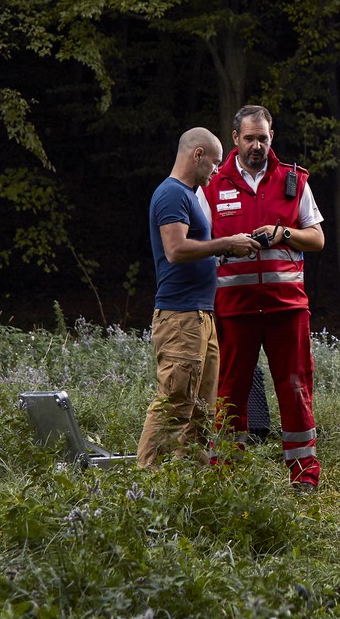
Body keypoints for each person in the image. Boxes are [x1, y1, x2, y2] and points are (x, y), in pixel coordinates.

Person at [203, 104, 326, 489]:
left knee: (294, 389)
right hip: (234, 310)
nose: (257, 145)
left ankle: (305, 478)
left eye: (263, 137)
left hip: (286, 309)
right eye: (250, 138)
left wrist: (283, 233)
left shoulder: (294, 181)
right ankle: (225, 477)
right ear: (235, 139)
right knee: (229, 394)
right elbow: (198, 245)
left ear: (272, 137)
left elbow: (318, 239)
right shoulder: (212, 185)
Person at [136, 127, 256, 467]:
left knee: (201, 410)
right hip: (180, 317)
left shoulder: (188, 196)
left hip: (201, 316)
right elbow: (175, 250)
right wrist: (226, 243)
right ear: (197, 155)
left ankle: (191, 489)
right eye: (214, 163)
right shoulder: (171, 194)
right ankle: (145, 487)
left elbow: (198, 250)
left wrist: (227, 249)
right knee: (174, 404)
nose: (217, 171)